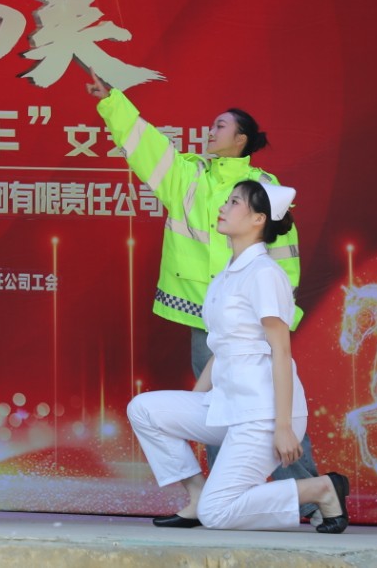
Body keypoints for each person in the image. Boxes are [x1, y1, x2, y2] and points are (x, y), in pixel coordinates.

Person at [86, 75, 319, 512]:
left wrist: (278, 313)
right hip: (204, 316)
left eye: (220, 126)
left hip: (258, 321)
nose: (210, 132)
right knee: (217, 410)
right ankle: (220, 498)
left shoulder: (264, 188)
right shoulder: (187, 176)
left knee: (278, 408)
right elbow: (145, 144)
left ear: (241, 139)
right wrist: (112, 101)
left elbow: (285, 254)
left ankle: (310, 495)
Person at [127, 180, 350, 532]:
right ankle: (197, 496)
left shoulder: (265, 274)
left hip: (262, 413)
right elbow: (223, 348)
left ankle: (319, 489)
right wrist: (192, 403)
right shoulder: (226, 277)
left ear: (258, 219)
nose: (223, 207)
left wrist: (283, 426)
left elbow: (281, 351)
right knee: (145, 409)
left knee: (218, 514)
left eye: (233, 202)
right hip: (227, 405)